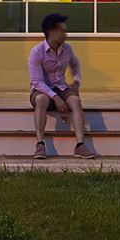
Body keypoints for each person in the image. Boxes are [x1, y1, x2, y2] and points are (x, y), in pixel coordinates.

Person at [28, 12, 93, 158]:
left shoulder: (67, 49)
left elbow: (75, 64)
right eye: (62, 31)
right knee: (42, 100)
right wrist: (56, 98)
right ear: (51, 32)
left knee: (75, 101)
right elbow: (37, 82)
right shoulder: (37, 52)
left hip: (61, 87)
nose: (66, 34)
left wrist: (76, 82)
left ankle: (80, 145)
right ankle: (40, 144)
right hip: (42, 90)